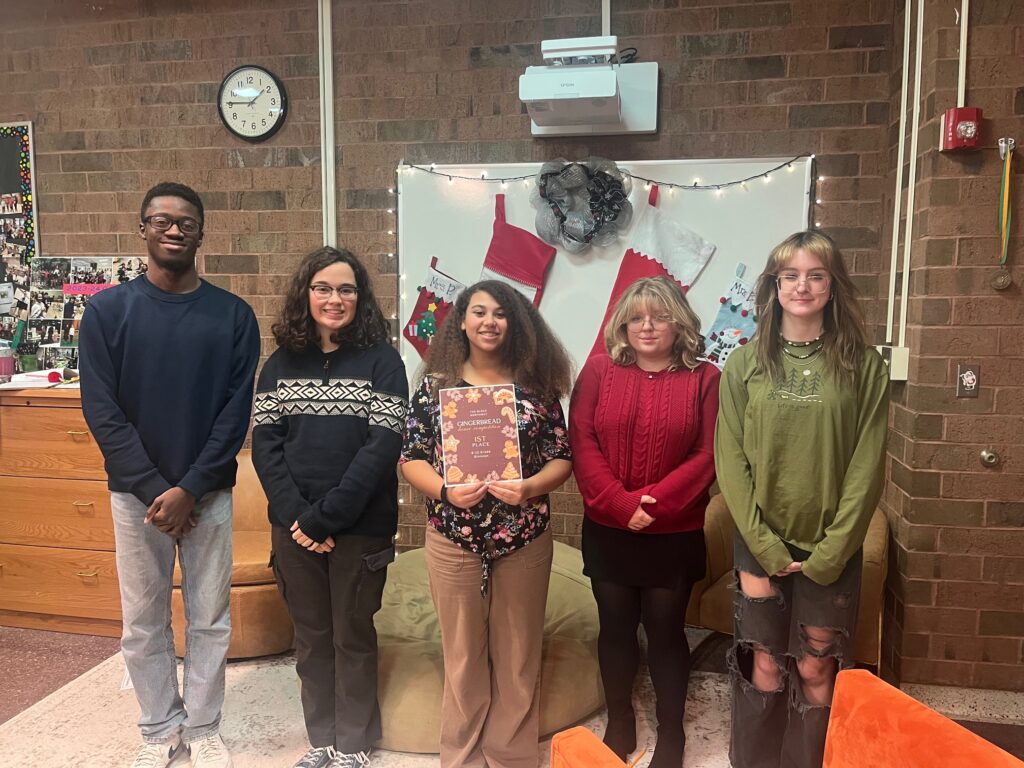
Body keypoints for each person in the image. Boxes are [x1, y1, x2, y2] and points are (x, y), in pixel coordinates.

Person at [79, 181, 260, 768]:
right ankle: (159, 731)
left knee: (209, 619)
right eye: (162, 220)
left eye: (186, 221)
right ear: (143, 229)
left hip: (207, 495)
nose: (175, 229)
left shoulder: (233, 315)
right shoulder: (107, 311)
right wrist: (158, 491)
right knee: (143, 622)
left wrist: (192, 488)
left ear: (202, 232)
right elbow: (101, 410)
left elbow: (236, 412)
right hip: (137, 498)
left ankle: (203, 730)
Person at [715, 231, 889, 768]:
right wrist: (763, 545)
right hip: (759, 541)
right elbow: (731, 463)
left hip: (830, 546)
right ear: (773, 286)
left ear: (832, 286)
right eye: (790, 276)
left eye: (815, 275)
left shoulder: (863, 366)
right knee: (765, 664)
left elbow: (867, 464)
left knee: (816, 669)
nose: (803, 286)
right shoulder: (743, 364)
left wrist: (835, 550)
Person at [400, 280, 573, 768]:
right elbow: (411, 457)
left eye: (500, 313)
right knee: (461, 653)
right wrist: (446, 491)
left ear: (516, 322)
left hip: (524, 536)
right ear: (461, 322)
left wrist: (531, 487)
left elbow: (562, 457)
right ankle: (460, 754)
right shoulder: (436, 384)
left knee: (518, 654)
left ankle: (511, 754)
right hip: (452, 536)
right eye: (478, 312)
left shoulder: (537, 387)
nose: (489, 321)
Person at [252, 247, 408, 768]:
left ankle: (354, 745)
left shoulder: (383, 362)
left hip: (359, 527)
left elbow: (382, 446)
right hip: (293, 529)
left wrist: (326, 517)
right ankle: (322, 740)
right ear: (306, 294)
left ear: (360, 299)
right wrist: (299, 516)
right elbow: (265, 447)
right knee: (313, 639)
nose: (334, 299)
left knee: (353, 635)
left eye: (346, 289)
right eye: (323, 288)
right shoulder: (278, 365)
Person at [569, 277, 719, 767]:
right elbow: (582, 440)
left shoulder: (706, 378)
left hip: (672, 533)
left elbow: (708, 454)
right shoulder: (597, 371)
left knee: (666, 630)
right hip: (610, 529)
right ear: (623, 325)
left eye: (659, 316)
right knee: (615, 627)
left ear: (680, 321)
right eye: (636, 317)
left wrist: (651, 507)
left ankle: (671, 735)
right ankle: (620, 719)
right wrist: (618, 504)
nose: (647, 326)